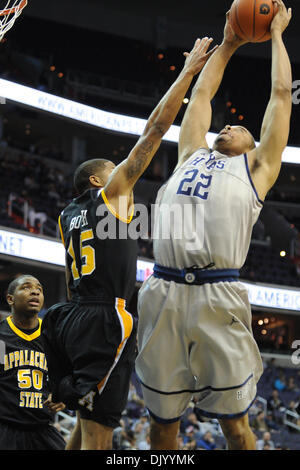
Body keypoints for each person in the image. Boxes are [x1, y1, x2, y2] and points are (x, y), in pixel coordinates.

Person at [40, 38, 218, 451]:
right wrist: (188, 72)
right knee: (99, 435)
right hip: (105, 319)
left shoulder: (68, 215)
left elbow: (71, 278)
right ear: (100, 181)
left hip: (68, 317)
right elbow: (156, 128)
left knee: (83, 425)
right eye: (113, 167)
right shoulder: (111, 195)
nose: (124, 173)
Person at [135, 0, 292, 450]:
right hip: (162, 289)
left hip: (217, 292)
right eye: (226, 125)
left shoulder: (258, 168)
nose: (229, 127)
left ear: (254, 145)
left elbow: (281, 96)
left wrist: (277, 35)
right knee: (162, 423)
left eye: (240, 128)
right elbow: (201, 97)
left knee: (234, 425)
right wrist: (227, 44)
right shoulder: (190, 153)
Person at [0, 275, 66, 450]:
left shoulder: (53, 336)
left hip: (42, 428)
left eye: (39, 289)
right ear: (10, 299)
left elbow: (65, 377)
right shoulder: (1, 338)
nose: (35, 291)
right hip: (6, 429)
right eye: (26, 287)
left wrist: (62, 395)